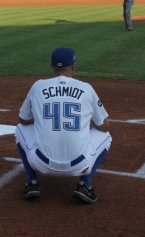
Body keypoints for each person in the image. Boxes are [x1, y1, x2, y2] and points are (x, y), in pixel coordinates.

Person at [15, 47, 112, 203]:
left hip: (41, 164)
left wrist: (41, 119)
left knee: (19, 129)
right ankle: (84, 185)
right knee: (105, 136)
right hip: (79, 165)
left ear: (52, 67)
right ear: (73, 66)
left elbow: (22, 120)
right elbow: (104, 126)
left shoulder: (38, 86)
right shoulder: (86, 88)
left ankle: (31, 182)